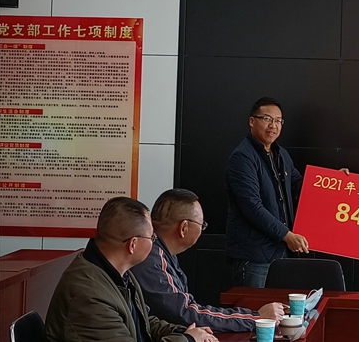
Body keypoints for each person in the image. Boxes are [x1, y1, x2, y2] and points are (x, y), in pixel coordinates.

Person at [45, 196, 217, 342]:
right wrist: (188, 339)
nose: (154, 242)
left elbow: (144, 322)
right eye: (152, 237)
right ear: (133, 244)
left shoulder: (117, 271)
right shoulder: (90, 295)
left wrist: (185, 332)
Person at [131, 188, 286, 332]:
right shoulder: (151, 258)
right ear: (184, 228)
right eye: (202, 225)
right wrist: (256, 318)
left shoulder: (161, 252)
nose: (202, 229)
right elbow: (186, 313)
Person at [225, 96, 308, 288]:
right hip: (255, 256)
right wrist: (287, 235)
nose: (273, 125)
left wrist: (333, 182)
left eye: (278, 121)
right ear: (252, 121)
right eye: (267, 119)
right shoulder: (242, 158)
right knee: (255, 307)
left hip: (282, 253)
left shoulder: (282, 154)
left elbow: (300, 186)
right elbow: (252, 207)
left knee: (281, 306)